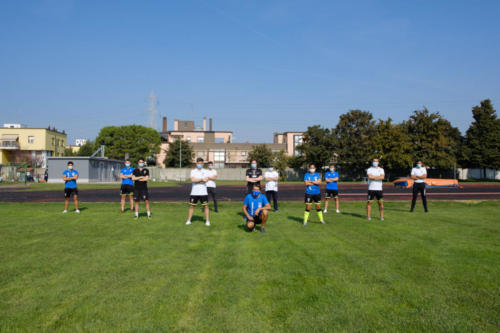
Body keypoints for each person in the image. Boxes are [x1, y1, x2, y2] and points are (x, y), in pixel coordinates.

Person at [186, 157, 211, 226]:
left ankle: (207, 221)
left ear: (203, 164)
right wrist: (201, 179)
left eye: (201, 163)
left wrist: (197, 180)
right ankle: (189, 220)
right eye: (198, 163)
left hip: (203, 192)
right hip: (194, 192)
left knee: (205, 206)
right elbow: (192, 180)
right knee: (191, 206)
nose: (200, 164)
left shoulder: (206, 171)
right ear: (196, 163)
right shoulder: (193, 171)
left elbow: (206, 180)